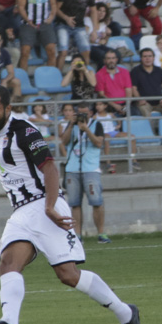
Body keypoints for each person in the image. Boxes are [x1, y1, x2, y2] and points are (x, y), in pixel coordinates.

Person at [0, 85, 143, 324]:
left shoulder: (24, 130)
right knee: (7, 263)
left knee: (68, 275)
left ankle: (126, 313)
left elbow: (49, 168)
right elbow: (4, 148)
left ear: (8, 108)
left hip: (43, 205)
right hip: (21, 213)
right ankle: (9, 322)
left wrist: (50, 207)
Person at [60, 104, 109, 243]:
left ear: (91, 113)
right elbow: (63, 141)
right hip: (73, 168)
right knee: (74, 203)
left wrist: (86, 129)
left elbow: (99, 143)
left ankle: (101, 233)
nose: (82, 116)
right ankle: (77, 235)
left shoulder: (97, 125)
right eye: (80, 113)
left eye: (85, 114)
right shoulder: (72, 125)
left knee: (97, 202)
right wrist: (71, 124)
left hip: (91, 168)